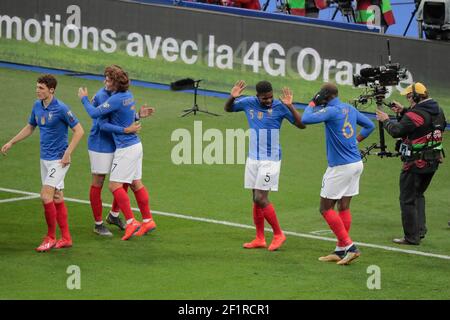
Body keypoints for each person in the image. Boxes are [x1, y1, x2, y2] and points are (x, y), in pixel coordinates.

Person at [1, 74, 84, 252]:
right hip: (44, 159)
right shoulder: (37, 106)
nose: (37, 91)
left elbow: (79, 130)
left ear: (51, 90)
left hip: (59, 161)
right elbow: (31, 126)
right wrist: (12, 142)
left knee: (45, 196)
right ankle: (67, 238)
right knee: (56, 197)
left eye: (41, 88)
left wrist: (68, 153)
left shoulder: (61, 108)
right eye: (37, 87)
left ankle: (50, 237)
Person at [224, 80, 306, 251]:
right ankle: (260, 238)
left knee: (260, 198)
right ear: (257, 97)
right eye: (264, 99)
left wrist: (290, 106)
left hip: (271, 159)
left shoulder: (280, 106)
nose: (268, 101)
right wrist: (232, 97)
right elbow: (228, 108)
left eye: (270, 97)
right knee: (255, 199)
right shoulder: (248, 103)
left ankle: (278, 234)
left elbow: (301, 124)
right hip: (253, 158)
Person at [78, 66, 156, 241]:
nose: (104, 82)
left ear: (115, 83)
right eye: (104, 78)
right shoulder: (103, 95)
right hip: (101, 143)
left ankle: (121, 217)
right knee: (101, 181)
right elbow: (100, 124)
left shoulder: (116, 97)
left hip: (120, 143)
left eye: (108, 79)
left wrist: (135, 117)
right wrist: (127, 127)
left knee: (122, 183)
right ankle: (99, 224)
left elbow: (112, 116)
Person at [301, 83, 375, 265]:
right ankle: (341, 250)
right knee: (343, 206)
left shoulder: (332, 111)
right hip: (356, 163)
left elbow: (306, 119)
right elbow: (369, 126)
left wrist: (312, 102)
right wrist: (355, 141)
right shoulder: (349, 108)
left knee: (325, 208)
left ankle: (350, 247)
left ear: (324, 96)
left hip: (340, 167)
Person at [376, 82, 446, 245]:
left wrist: (386, 120)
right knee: (418, 195)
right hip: (433, 160)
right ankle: (419, 231)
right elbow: (425, 123)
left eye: (409, 96)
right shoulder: (439, 110)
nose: (408, 99)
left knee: (407, 199)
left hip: (416, 163)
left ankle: (411, 237)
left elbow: (396, 131)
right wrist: (404, 111)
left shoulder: (415, 115)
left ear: (416, 96)